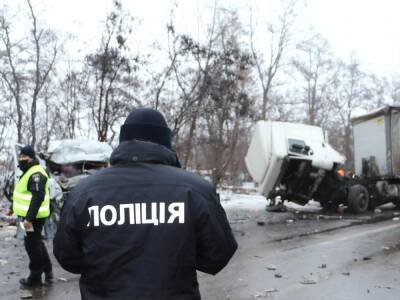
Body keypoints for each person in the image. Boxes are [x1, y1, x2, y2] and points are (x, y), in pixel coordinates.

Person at [54, 108, 238, 300]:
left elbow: (68, 258)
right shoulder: (195, 190)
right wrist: (181, 256)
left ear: (123, 142)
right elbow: (218, 255)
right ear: (166, 143)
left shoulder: (84, 193)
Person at [11, 145, 53, 287]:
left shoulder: (36, 173)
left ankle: (35, 279)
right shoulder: (29, 171)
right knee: (37, 244)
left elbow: (38, 196)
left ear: (32, 158)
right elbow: (25, 194)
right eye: (20, 157)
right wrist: (13, 209)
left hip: (33, 218)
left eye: (24, 157)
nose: (21, 159)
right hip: (29, 217)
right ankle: (48, 271)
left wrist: (29, 219)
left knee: (32, 246)